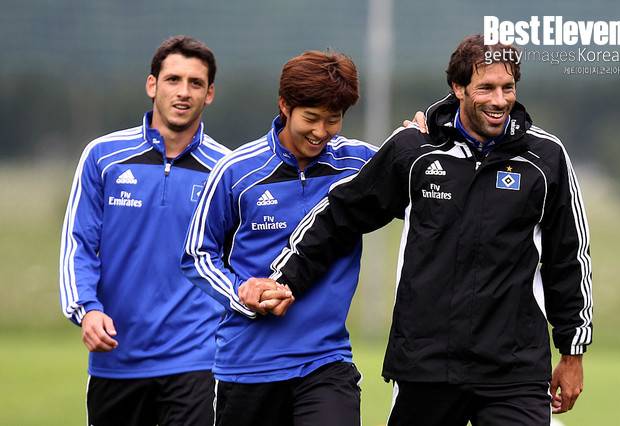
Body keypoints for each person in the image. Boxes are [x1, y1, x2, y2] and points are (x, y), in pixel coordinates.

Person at [269, 34, 593, 425]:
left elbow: (568, 257)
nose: (499, 100)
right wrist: (286, 280)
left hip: (513, 370)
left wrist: (572, 351)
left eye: (508, 87)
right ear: (458, 87)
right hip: (425, 365)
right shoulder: (415, 150)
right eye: (486, 88)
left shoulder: (545, 157)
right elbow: (340, 215)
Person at [181, 50, 382, 426]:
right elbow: (197, 254)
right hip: (247, 367)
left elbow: (417, 170)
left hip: (326, 362)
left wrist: (423, 135)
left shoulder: (359, 165)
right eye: (311, 118)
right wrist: (240, 293)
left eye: (333, 119)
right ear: (285, 105)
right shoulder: (236, 171)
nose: (321, 131)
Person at [59, 35, 230, 426]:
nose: (183, 92)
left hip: (198, 359)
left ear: (209, 94)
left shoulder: (227, 169)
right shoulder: (103, 157)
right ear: (152, 85)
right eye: (173, 80)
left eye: (195, 83)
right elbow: (79, 244)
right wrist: (87, 309)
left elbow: (236, 260)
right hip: (116, 356)